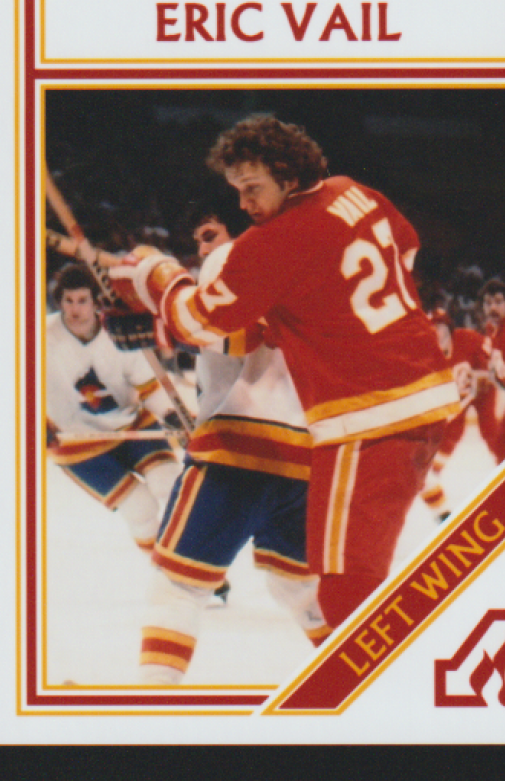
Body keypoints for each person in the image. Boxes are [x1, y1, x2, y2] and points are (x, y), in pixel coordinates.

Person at [109, 114, 461, 631]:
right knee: (333, 579)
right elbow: (404, 247)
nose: (244, 204)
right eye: (237, 191)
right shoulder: (354, 191)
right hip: (427, 395)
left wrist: (151, 274)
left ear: (288, 174)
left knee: (346, 592)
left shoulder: (273, 242)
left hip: (370, 417)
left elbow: (196, 320)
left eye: (252, 188)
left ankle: (397, 674)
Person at [135, 195, 329, 684]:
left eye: (209, 235)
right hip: (306, 459)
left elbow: (232, 330)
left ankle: (147, 711)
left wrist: (156, 277)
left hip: (241, 452)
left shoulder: (237, 256)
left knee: (177, 587)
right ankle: (371, 679)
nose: (205, 250)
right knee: (298, 587)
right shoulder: (308, 265)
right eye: (199, 242)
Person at [46, 263, 183, 553]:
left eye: (82, 300)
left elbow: (147, 384)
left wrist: (171, 415)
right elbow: (14, 387)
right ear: (59, 301)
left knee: (170, 484)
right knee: (141, 509)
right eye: (68, 301)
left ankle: (184, 558)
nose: (75, 309)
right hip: (77, 444)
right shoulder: (38, 337)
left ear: (96, 301)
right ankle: (162, 565)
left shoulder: (117, 331)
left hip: (132, 425)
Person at [420, 308, 496, 522]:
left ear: (450, 329)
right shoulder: (422, 356)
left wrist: (488, 374)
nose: (436, 333)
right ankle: (444, 517)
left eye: (440, 328)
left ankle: (444, 517)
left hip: (461, 418)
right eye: (432, 329)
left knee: (423, 474)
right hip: (439, 423)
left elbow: (495, 359)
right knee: (422, 474)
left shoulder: (467, 339)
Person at [476, 277, 505, 464]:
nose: (492, 308)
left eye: (498, 302)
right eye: (488, 303)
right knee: (500, 448)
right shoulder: (494, 331)